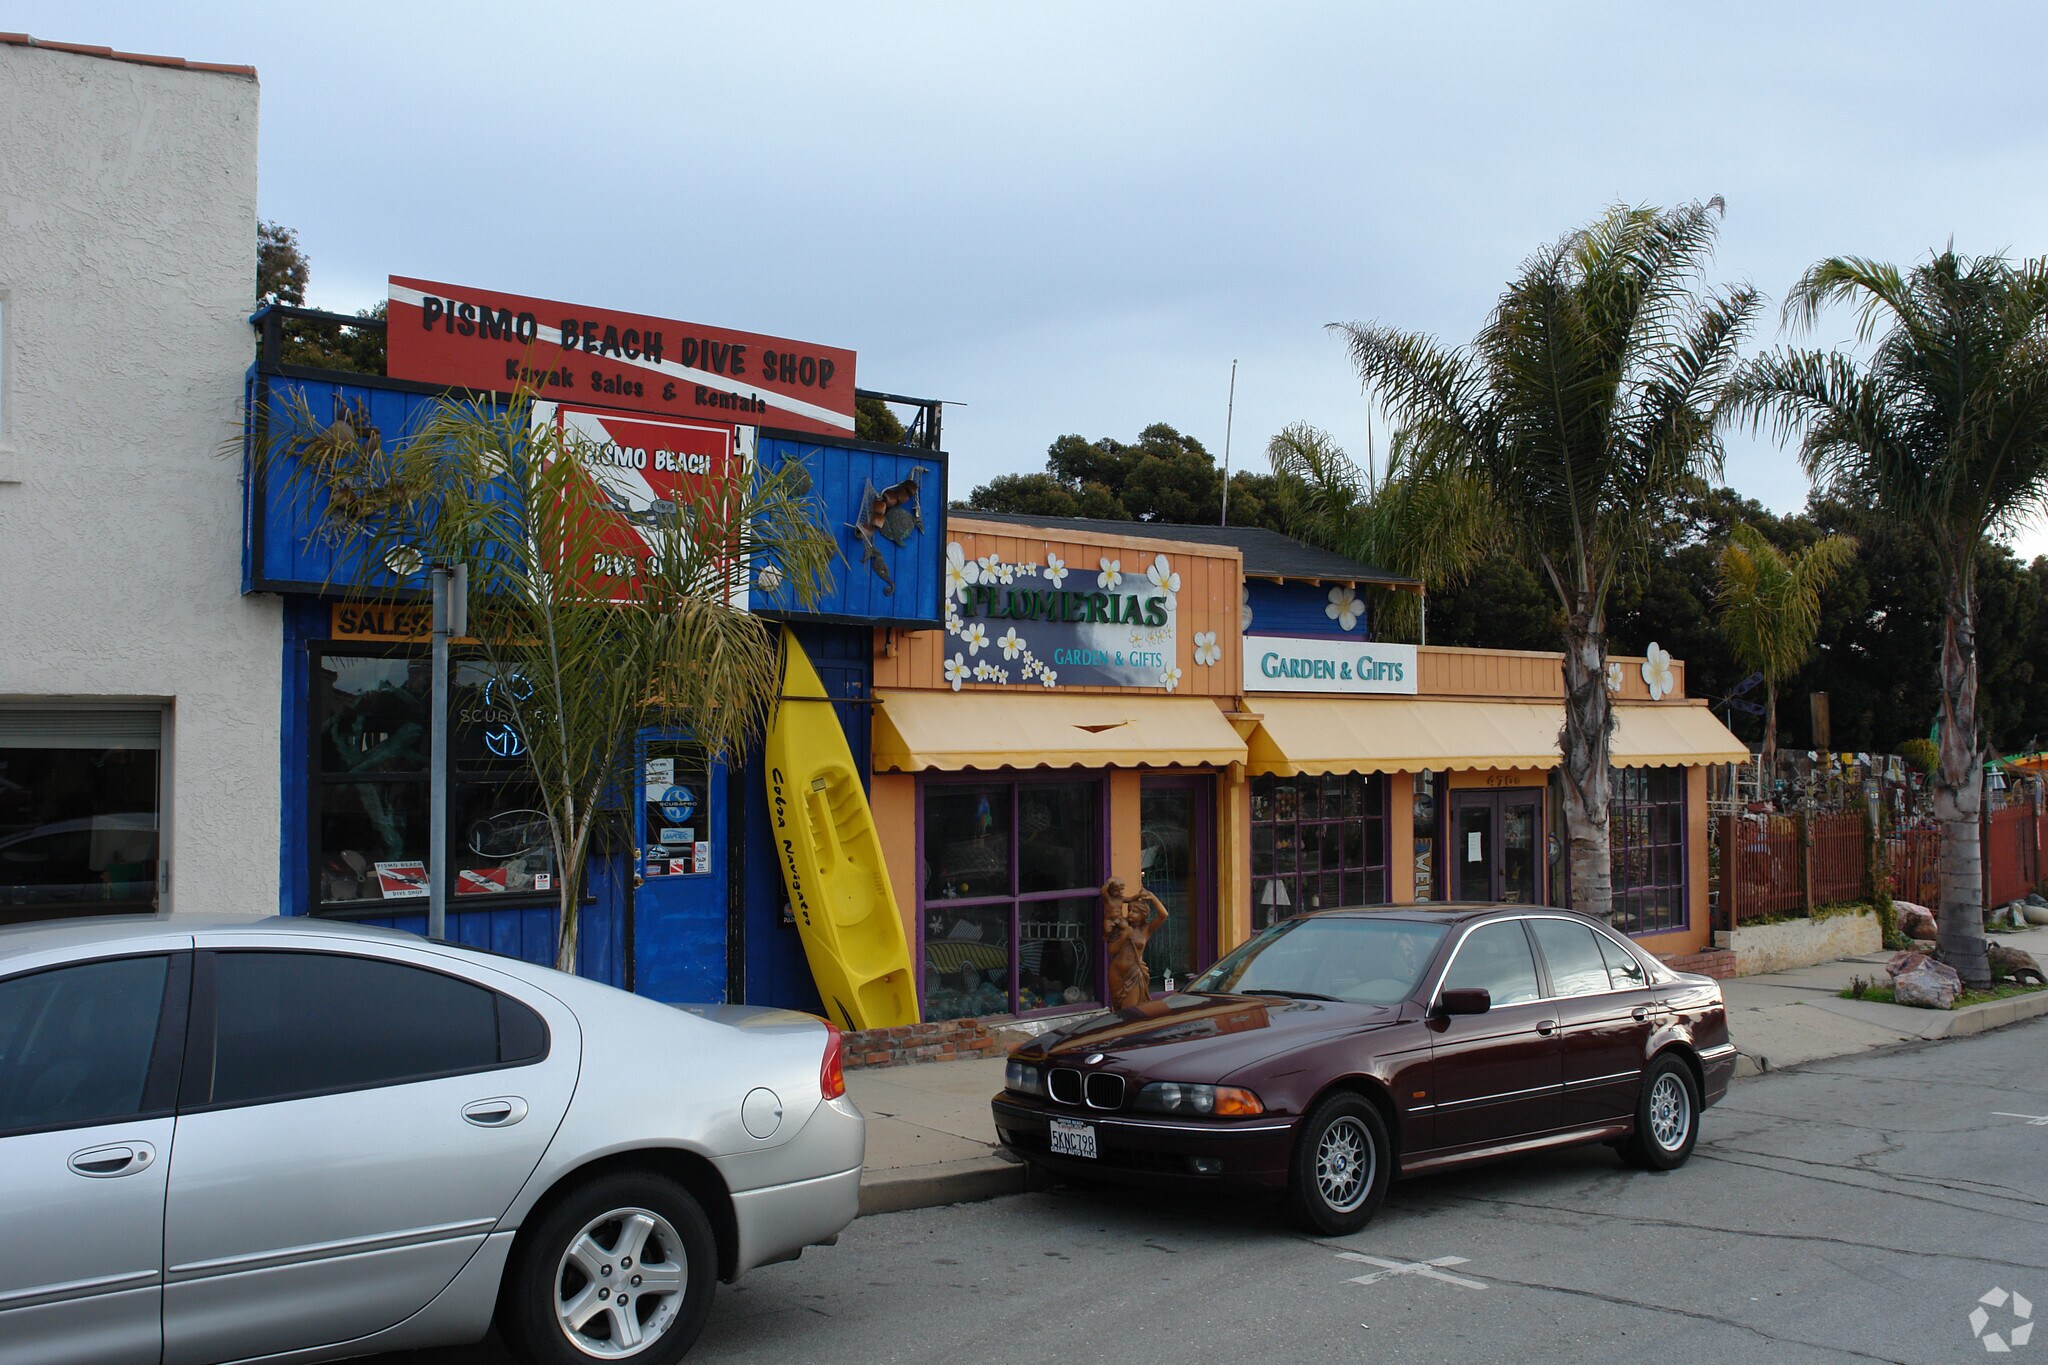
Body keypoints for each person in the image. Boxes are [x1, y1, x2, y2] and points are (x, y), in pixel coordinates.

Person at [1102, 878, 1169, 1011]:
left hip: (1133, 974)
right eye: (1130, 911)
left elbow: (1163, 915)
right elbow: (1111, 950)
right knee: (1118, 1011)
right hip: (1116, 972)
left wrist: (1152, 897)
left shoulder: (1146, 930)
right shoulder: (1121, 926)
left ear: (1143, 915)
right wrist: (1125, 934)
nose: (1131, 914)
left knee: (1130, 1011)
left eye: (1135, 912)